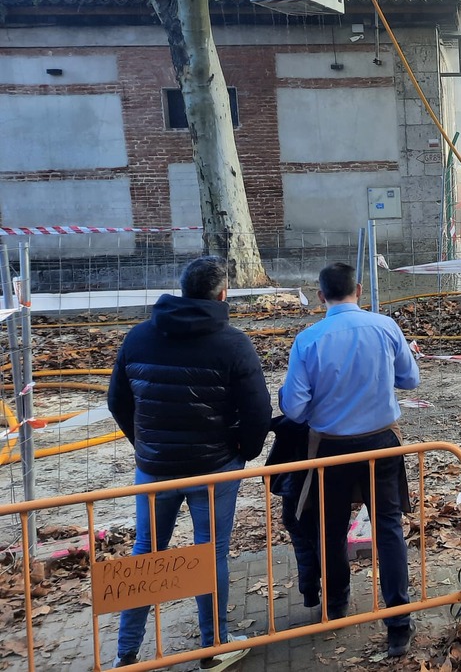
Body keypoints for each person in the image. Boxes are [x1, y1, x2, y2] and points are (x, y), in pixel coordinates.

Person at [107, 256, 271, 670]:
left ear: (181, 289)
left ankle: (126, 654)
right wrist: (243, 452)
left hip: (155, 470)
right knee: (210, 552)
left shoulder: (139, 337)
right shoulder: (233, 343)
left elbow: (117, 401)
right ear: (223, 294)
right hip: (213, 469)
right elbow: (257, 412)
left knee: (146, 552)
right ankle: (213, 647)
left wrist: (145, 446)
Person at [279, 262, 419, 658]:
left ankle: (338, 603)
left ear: (321, 296)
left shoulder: (308, 340)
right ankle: (398, 622)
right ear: (358, 289)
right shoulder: (386, 327)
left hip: (330, 448)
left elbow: (294, 406)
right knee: (388, 527)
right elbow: (410, 379)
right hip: (382, 443)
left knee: (331, 525)